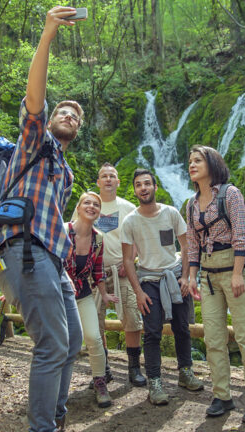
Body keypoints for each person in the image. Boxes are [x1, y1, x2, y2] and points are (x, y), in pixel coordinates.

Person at [0, 6, 85, 432]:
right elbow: (35, 97)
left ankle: (56, 417)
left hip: (53, 258)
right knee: (51, 345)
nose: (70, 116)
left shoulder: (64, 172)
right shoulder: (33, 143)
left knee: (73, 342)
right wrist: (47, 35)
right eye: (65, 112)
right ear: (51, 121)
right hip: (24, 251)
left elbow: (58, 223)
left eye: (77, 117)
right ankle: (43, 427)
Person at [186, 145, 245, 423]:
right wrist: (192, 276)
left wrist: (236, 273)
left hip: (235, 272)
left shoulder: (230, 194)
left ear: (212, 163)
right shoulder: (191, 204)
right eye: (190, 161)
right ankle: (222, 395)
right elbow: (193, 245)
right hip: (208, 276)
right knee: (213, 338)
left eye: (198, 160)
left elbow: (242, 235)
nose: (192, 164)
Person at [121, 168, 204, 406]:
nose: (144, 188)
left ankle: (185, 372)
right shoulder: (131, 221)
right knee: (153, 332)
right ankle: (155, 383)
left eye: (147, 183)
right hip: (148, 281)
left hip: (175, 276)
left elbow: (186, 246)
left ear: (155, 187)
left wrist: (187, 277)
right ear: (135, 190)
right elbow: (128, 260)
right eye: (139, 184)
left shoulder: (170, 213)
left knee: (182, 328)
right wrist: (138, 292)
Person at [64, 191, 119, 408]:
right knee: (63, 341)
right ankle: (56, 387)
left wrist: (104, 294)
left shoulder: (98, 238)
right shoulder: (62, 231)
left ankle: (100, 382)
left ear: (99, 212)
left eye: (96, 204)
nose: (92, 206)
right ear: (78, 207)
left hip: (83, 292)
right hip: (59, 294)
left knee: (94, 338)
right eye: (87, 202)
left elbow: (97, 271)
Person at [95, 163, 146, 386]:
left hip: (122, 271)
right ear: (98, 182)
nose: (108, 179)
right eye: (104, 176)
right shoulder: (89, 205)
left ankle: (134, 368)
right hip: (95, 275)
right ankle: (103, 368)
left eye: (112, 176)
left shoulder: (127, 207)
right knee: (96, 323)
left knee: (132, 319)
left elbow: (139, 235)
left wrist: (131, 259)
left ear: (118, 182)